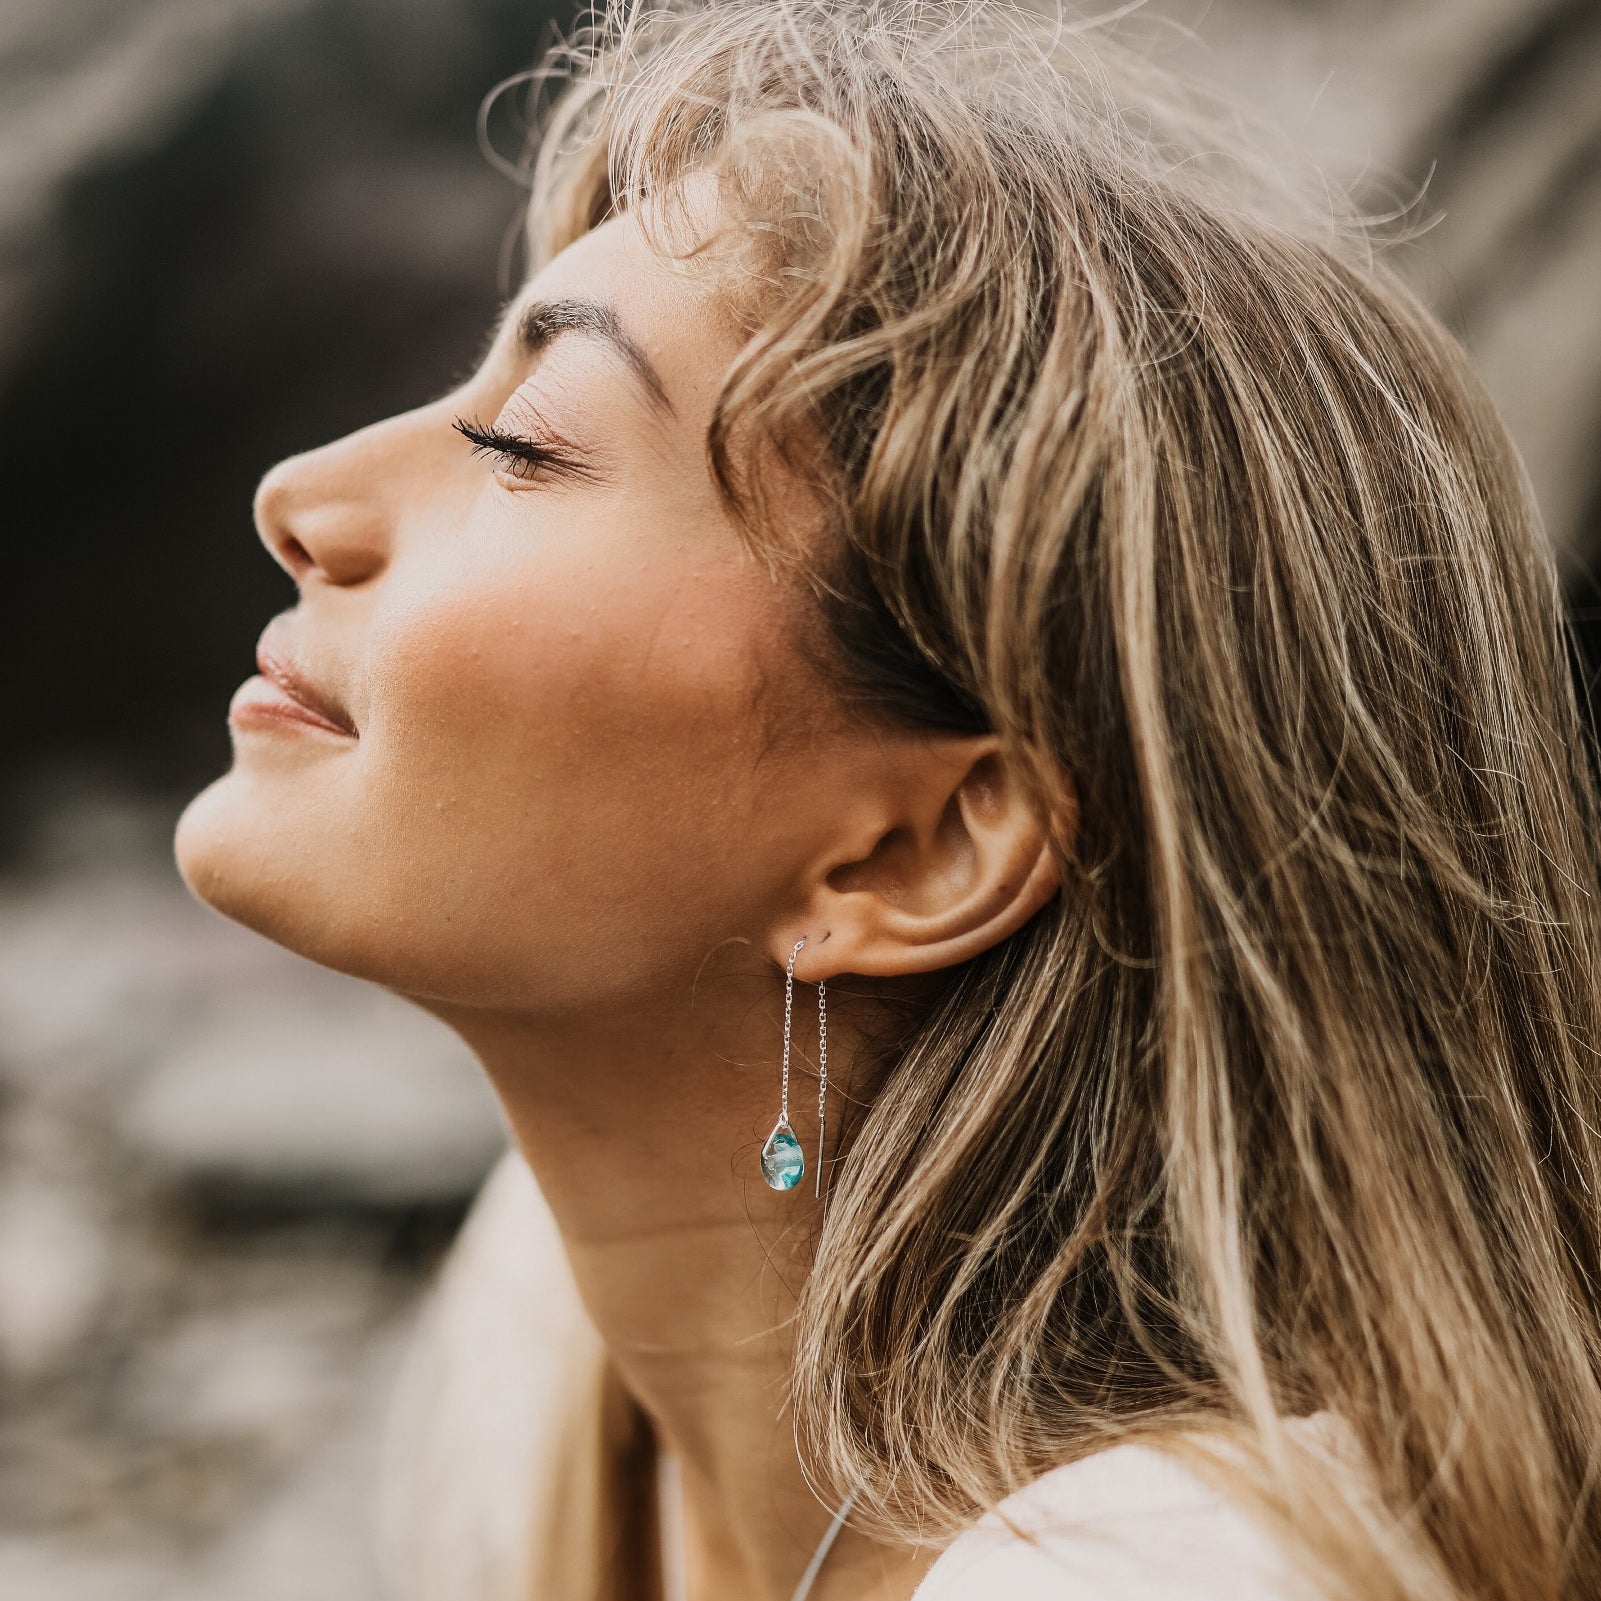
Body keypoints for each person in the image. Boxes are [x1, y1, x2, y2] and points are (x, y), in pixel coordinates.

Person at [172, 2, 1601, 1598]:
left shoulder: (1163, 1574)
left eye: (525, 442)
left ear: (913, 850)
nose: (298, 493)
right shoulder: (546, 1334)